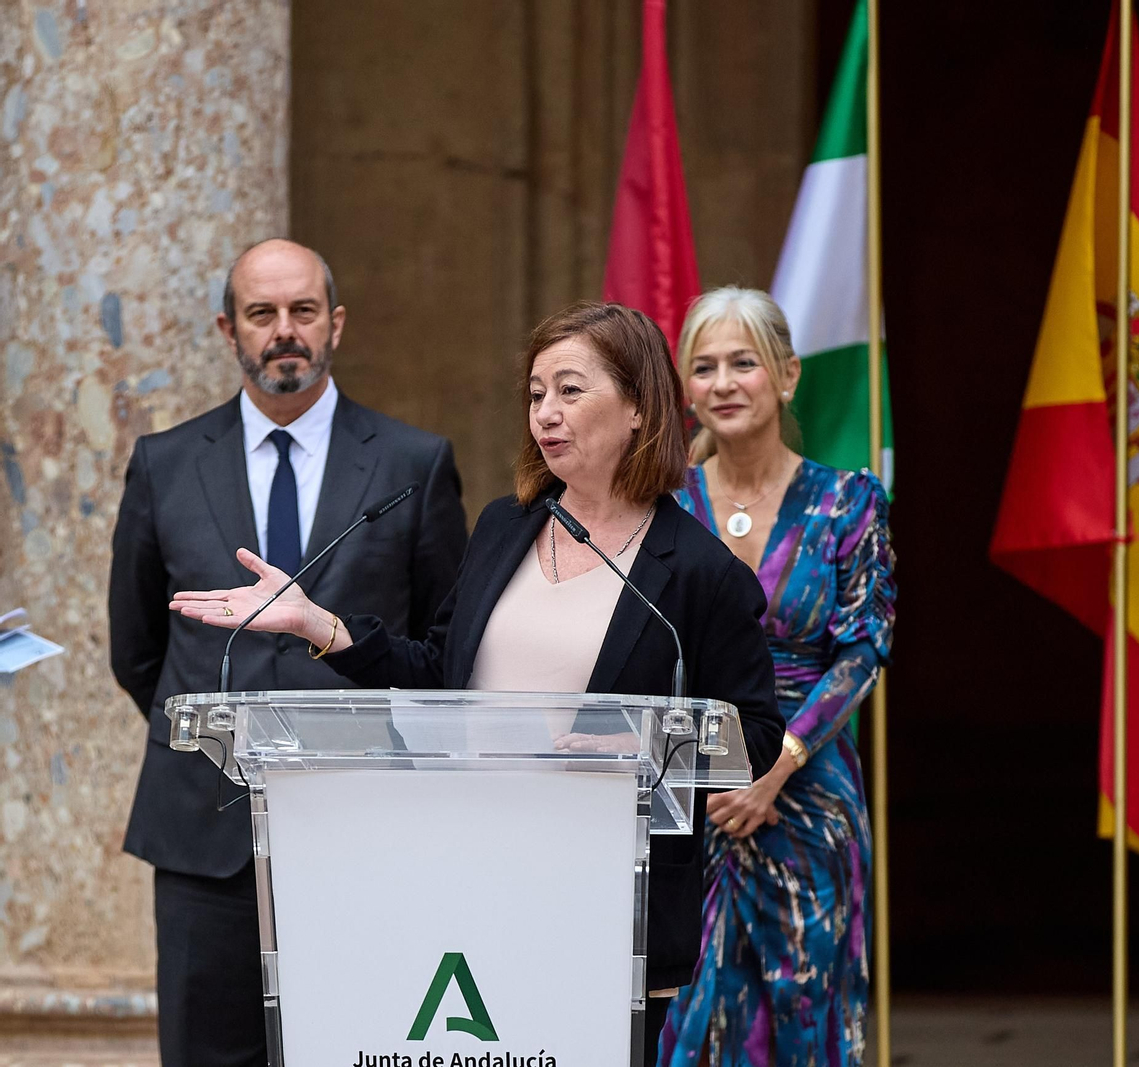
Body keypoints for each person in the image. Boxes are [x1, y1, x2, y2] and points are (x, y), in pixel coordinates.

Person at [169, 301, 786, 1060]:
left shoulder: (696, 573)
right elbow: (440, 673)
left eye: (569, 390)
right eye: (535, 394)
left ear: (636, 407)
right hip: (459, 878)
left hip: (599, 909)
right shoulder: (507, 524)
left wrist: (622, 742)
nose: (545, 414)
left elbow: (755, 736)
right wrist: (315, 624)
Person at [108, 238, 469, 1066]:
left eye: (303, 310)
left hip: (364, 826)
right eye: (262, 313)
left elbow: (444, 651)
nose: (284, 332)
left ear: (335, 323)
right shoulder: (164, 464)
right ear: (227, 327)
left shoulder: (414, 464)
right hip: (204, 831)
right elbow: (138, 648)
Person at [659, 287, 895, 1067]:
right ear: (686, 391)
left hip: (809, 791)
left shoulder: (847, 501)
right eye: (704, 367)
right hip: (694, 791)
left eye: (743, 363)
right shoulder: (663, 507)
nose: (724, 382)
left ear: (786, 377)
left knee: (808, 1001)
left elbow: (864, 648)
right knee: (692, 1012)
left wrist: (776, 768)